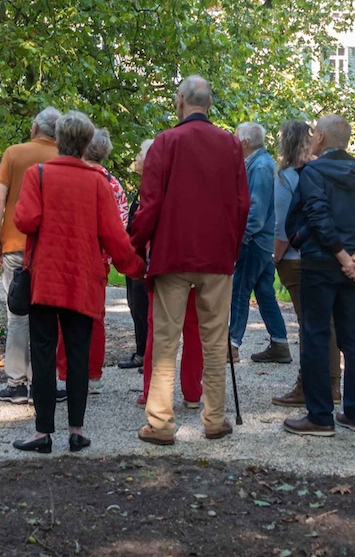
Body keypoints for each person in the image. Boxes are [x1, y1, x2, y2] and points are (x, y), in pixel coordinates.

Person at [12, 111, 144, 453]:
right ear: (86, 143)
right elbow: (114, 236)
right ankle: (76, 431)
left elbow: (26, 221)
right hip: (84, 280)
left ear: (57, 140)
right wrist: (136, 267)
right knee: (78, 354)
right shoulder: (98, 182)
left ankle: (42, 434)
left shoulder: (36, 175)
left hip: (45, 280)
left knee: (43, 355)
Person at [130, 76, 249, 445]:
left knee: (166, 339)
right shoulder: (230, 144)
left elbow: (150, 203)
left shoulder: (166, 141)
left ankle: (162, 423)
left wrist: (137, 244)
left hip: (173, 253)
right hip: (216, 256)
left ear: (181, 100)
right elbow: (243, 204)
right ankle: (214, 418)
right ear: (208, 104)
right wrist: (231, 247)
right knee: (215, 340)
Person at [282, 114, 355, 437]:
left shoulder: (312, 172)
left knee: (314, 336)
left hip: (319, 263)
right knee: (351, 336)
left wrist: (343, 259)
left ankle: (320, 416)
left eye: (314, 134)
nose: (311, 138)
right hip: (347, 268)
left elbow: (317, 217)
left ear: (322, 139)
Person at [0, 107, 61, 405]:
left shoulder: (14, 153)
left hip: (17, 244)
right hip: (52, 247)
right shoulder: (65, 158)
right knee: (49, 315)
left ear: (34, 128)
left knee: (17, 314)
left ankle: (16, 384)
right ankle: (43, 382)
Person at [271, 120, 341, 407]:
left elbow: (281, 226)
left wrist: (274, 258)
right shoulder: (324, 170)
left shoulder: (287, 177)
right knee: (328, 323)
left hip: (296, 258)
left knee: (309, 326)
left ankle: (307, 386)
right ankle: (333, 385)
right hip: (328, 253)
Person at [54, 127, 124, 393]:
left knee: (64, 315)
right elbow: (120, 225)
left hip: (68, 254)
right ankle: (92, 374)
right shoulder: (114, 184)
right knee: (95, 316)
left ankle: (65, 373)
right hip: (98, 259)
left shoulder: (70, 178)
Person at [229, 122, 292, 363]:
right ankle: (280, 344)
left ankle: (232, 345)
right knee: (264, 291)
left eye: (236, 137)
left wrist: (242, 239)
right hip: (263, 240)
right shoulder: (258, 163)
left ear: (244, 142)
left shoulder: (261, 167)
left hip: (256, 240)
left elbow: (256, 209)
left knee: (239, 290)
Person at [117, 140, 154, 371]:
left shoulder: (153, 186)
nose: (137, 157)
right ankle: (141, 352)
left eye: (140, 153)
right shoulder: (144, 185)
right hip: (134, 253)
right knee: (135, 304)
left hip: (145, 255)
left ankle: (148, 354)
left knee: (144, 306)